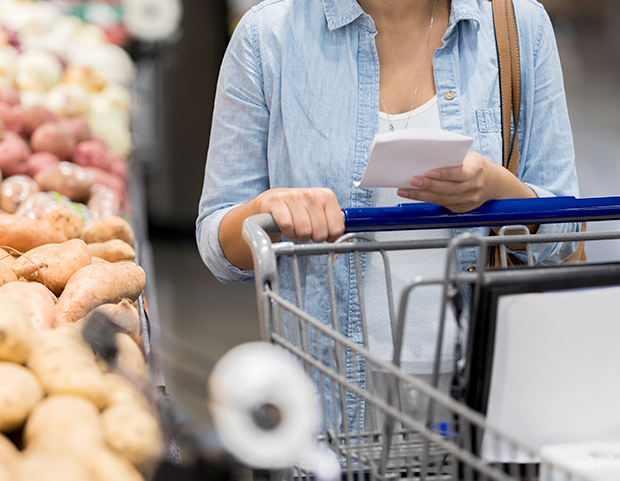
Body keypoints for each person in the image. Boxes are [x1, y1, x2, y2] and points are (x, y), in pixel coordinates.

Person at [197, 0, 579, 430]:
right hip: (326, 400)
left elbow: (566, 236)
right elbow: (218, 241)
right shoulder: (267, 37)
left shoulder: (517, 28)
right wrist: (266, 212)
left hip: (488, 398)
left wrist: (498, 191)